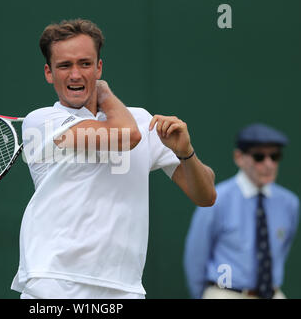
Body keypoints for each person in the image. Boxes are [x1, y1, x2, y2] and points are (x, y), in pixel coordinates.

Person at [11, 19, 216, 299]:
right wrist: (105, 92)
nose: (75, 74)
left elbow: (205, 195)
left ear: (99, 67)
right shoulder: (42, 121)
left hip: (124, 289)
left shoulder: (142, 120)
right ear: (49, 73)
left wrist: (185, 152)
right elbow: (127, 136)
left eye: (85, 64)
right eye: (64, 65)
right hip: (54, 284)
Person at [184, 123, 299, 299]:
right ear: (239, 157)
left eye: (275, 156)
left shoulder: (289, 203)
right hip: (226, 292)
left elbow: (282, 249)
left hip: (272, 293)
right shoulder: (216, 199)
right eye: (259, 157)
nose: (268, 164)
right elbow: (196, 256)